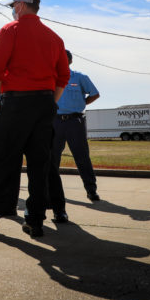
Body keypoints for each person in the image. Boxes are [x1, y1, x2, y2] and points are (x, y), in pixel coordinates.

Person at [0, 0, 69, 238]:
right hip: (44, 105)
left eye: (14, 5)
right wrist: (50, 102)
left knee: (1, 162)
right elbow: (63, 76)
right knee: (39, 164)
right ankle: (35, 220)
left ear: (21, 6)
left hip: (15, 104)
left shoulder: (10, 30)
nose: (13, 9)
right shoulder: (54, 38)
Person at [47, 50, 102, 220]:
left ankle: (91, 190)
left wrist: (80, 103)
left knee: (82, 156)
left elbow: (95, 94)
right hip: (55, 121)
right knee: (52, 159)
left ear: (70, 61)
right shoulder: (50, 77)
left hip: (74, 122)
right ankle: (50, 194)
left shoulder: (79, 77)